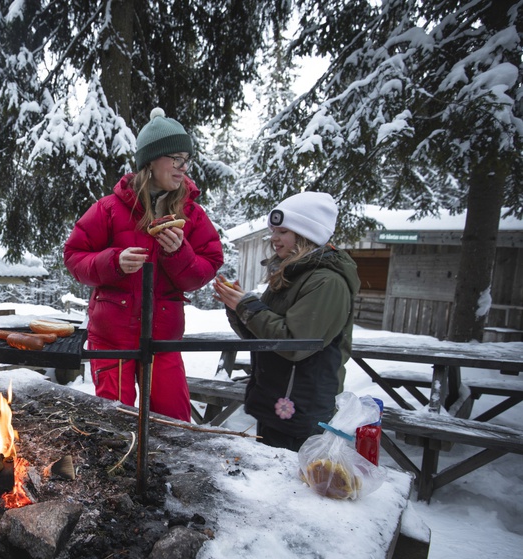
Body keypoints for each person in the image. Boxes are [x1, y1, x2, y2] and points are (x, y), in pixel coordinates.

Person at [64, 108, 224, 421]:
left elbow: (206, 268)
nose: (182, 167)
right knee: (115, 424)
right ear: (150, 161)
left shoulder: (192, 213)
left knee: (172, 423)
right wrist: (113, 261)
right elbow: (74, 256)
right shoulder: (109, 209)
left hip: (163, 338)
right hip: (112, 339)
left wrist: (180, 254)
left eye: (186, 159)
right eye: (174, 158)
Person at [213, 191, 360, 451]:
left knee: (293, 487)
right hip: (277, 401)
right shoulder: (290, 275)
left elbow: (295, 344)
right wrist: (237, 308)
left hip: (303, 409)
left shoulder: (326, 282)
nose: (274, 239)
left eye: (282, 231)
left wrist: (246, 305)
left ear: (305, 235)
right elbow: (263, 340)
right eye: (273, 231)